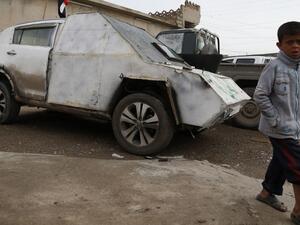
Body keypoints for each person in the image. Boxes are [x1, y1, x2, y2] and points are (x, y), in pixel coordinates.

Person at [254, 21, 300, 225]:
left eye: (299, 41)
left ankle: (266, 193)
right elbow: (260, 95)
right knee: (297, 167)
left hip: (295, 127)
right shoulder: (274, 66)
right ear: (279, 45)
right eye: (290, 42)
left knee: (281, 160)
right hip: (280, 129)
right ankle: (298, 212)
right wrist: (275, 120)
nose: (296, 46)